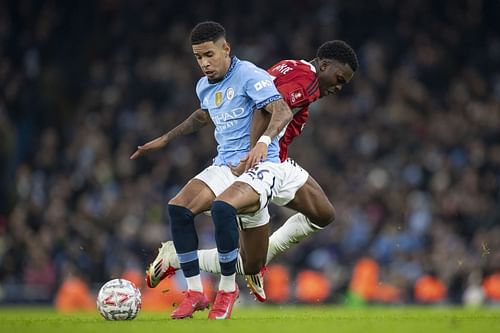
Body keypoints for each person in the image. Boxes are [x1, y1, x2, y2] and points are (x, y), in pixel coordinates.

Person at [139, 41, 359, 302]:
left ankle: (260, 259)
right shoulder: (307, 82)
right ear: (323, 65)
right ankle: (175, 257)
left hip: (277, 161)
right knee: (247, 263)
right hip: (259, 164)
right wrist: (255, 150)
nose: (338, 87)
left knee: (323, 214)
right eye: (338, 78)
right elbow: (265, 108)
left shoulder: (292, 66)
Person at [131, 21, 293, 320]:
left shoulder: (249, 75)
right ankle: (194, 292)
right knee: (178, 208)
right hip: (224, 166)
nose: (204, 63)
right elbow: (203, 116)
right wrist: (166, 139)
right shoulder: (204, 86)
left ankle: (228, 289)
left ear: (225, 49)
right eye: (198, 57)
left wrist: (263, 142)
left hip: (259, 167)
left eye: (209, 55)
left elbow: (282, 110)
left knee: (223, 209)